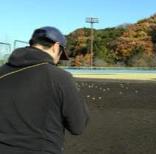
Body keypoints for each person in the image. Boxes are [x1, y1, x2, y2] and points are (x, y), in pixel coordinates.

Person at [0, 26, 89, 154]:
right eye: (60, 55)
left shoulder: (2, 72)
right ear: (56, 47)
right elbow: (78, 126)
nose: (58, 60)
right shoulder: (60, 78)